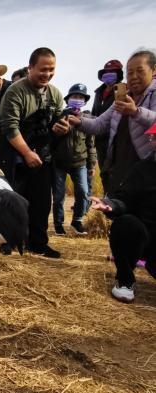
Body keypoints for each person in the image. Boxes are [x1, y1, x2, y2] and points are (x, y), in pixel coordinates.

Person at [0, 47, 66, 258]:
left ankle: (38, 243)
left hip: (43, 154)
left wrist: (61, 128)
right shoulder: (15, 91)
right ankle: (9, 241)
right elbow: (10, 128)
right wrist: (26, 153)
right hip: (17, 153)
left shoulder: (54, 93)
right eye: (43, 69)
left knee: (42, 202)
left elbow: (57, 121)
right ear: (30, 68)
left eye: (51, 69)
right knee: (14, 200)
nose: (47, 74)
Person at [69, 50, 156, 196]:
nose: (134, 77)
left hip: (146, 169)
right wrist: (78, 121)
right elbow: (99, 124)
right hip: (120, 166)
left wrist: (136, 112)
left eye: (140, 71)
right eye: (130, 73)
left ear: (153, 70)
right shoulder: (122, 97)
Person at [90, 123, 156, 303]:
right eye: (153, 138)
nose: (153, 141)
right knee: (126, 224)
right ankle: (125, 281)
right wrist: (111, 205)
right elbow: (124, 199)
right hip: (147, 237)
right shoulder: (142, 169)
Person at [51, 83, 96, 236]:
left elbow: (91, 145)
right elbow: (51, 139)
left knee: (83, 192)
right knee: (58, 195)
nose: (78, 99)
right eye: (75, 96)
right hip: (59, 163)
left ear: (84, 101)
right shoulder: (58, 116)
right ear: (68, 99)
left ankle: (77, 221)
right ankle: (58, 224)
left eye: (81, 97)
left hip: (80, 163)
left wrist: (91, 166)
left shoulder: (87, 120)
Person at [91, 59, 124, 192]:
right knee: (104, 173)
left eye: (112, 72)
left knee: (115, 173)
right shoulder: (99, 92)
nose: (109, 74)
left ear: (119, 74)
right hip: (100, 140)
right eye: (106, 72)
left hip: (115, 140)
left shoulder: (123, 90)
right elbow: (95, 114)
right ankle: (107, 200)